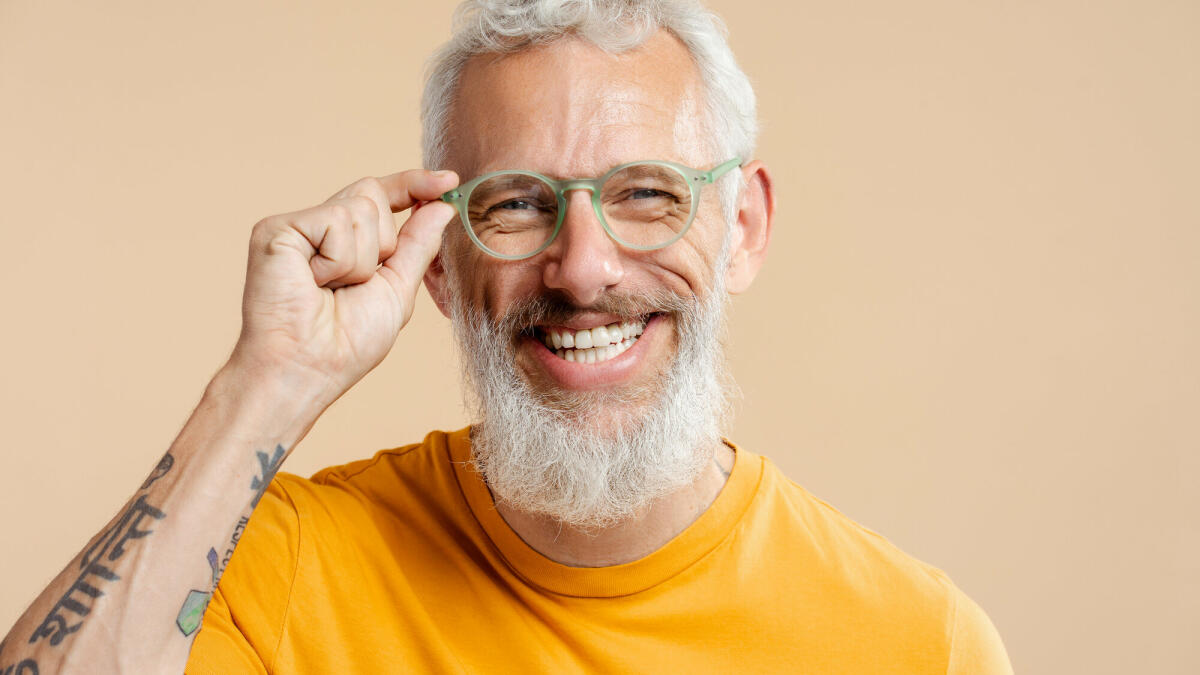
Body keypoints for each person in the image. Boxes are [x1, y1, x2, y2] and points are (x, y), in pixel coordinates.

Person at [0, 1, 1012, 672]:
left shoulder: (919, 642)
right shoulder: (284, 568)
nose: (584, 269)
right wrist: (265, 384)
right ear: (440, 261)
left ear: (740, 228)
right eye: (520, 205)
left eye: (647, 194)